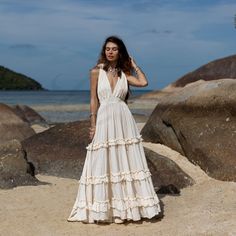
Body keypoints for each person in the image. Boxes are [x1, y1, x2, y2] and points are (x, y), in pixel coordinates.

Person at [67, 35, 161, 224]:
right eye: (108, 48)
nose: (110, 51)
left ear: (120, 52)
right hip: (104, 118)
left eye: (114, 49)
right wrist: (92, 123)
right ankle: (104, 208)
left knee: (124, 160)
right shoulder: (95, 72)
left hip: (123, 119)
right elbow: (93, 99)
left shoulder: (124, 75)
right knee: (102, 159)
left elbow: (144, 83)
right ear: (104, 51)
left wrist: (134, 65)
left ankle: (125, 208)